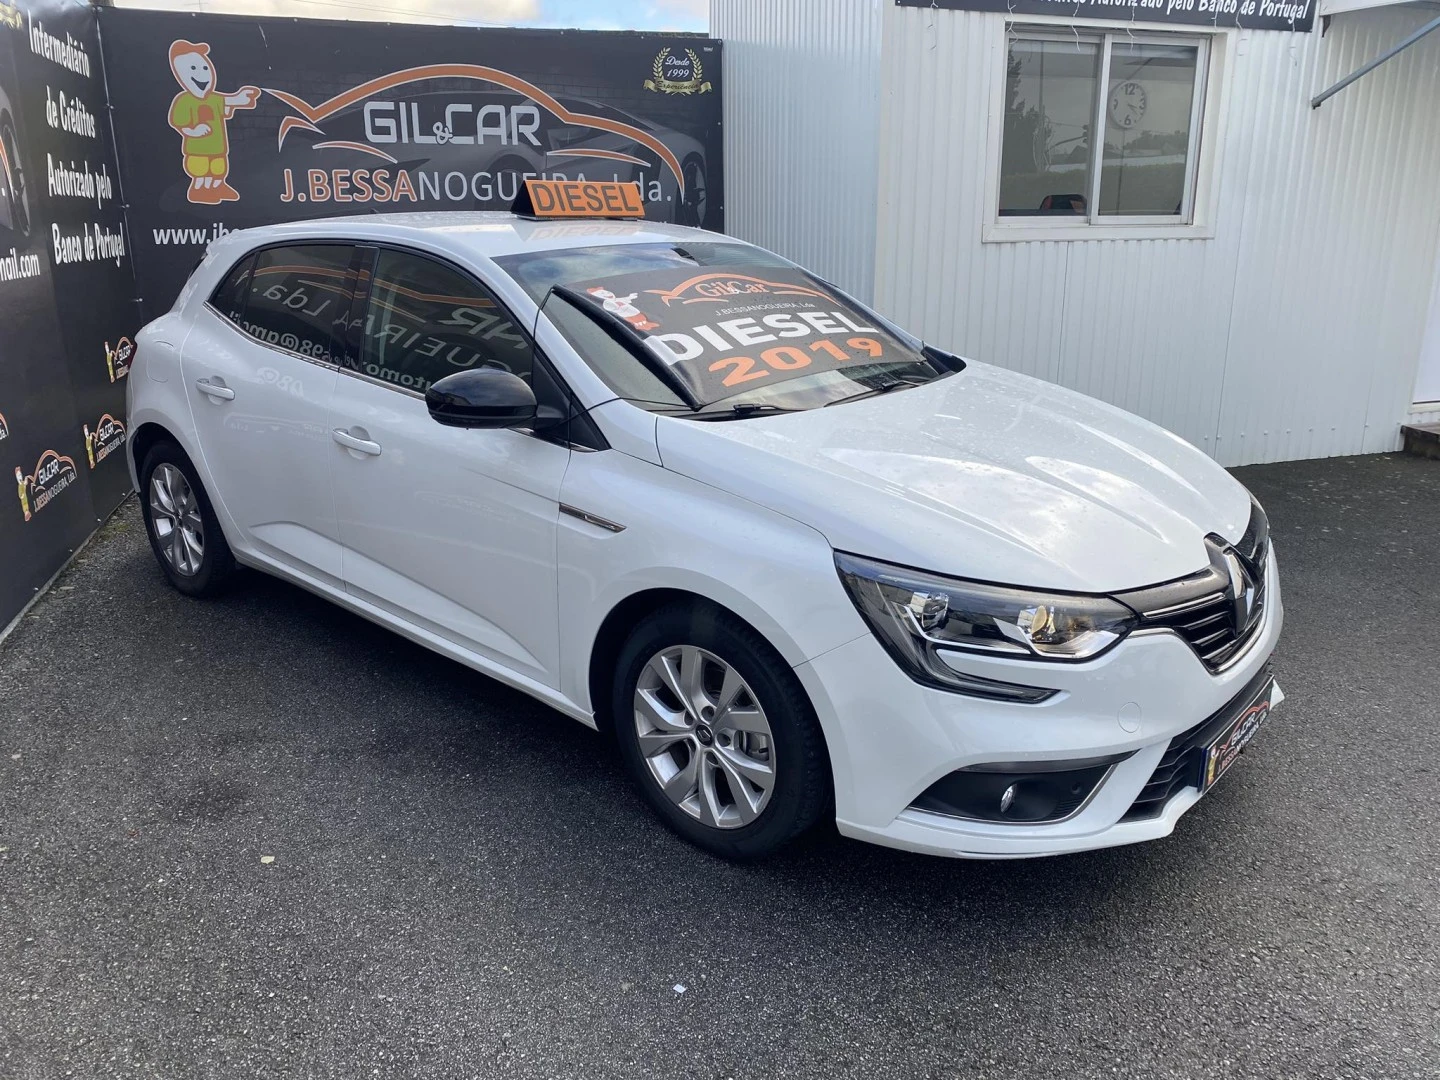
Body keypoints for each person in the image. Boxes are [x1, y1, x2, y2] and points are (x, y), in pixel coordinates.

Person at [167, 40, 260, 204]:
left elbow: (232, 100)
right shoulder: (185, 100)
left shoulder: (214, 98)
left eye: (204, 68)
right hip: (197, 149)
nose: (201, 73)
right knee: (200, 170)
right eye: (193, 69)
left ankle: (218, 187)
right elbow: (179, 123)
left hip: (218, 148)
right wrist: (193, 131)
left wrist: (244, 96)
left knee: (218, 169)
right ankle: (199, 190)